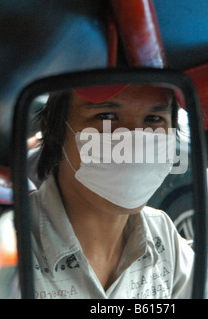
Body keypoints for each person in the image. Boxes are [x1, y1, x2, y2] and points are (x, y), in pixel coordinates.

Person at [28, 84, 194, 299]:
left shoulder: (164, 239)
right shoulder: (13, 245)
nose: (134, 142)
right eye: (106, 116)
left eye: (153, 119)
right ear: (55, 125)